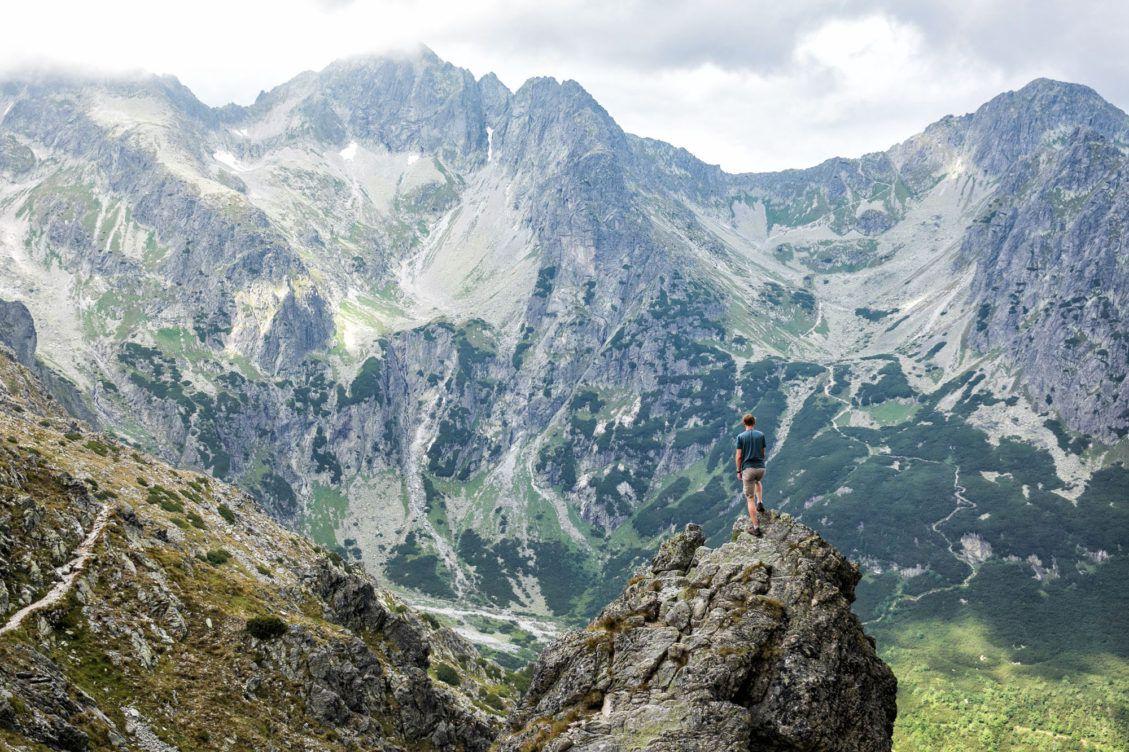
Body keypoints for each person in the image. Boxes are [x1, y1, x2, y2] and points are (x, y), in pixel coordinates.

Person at [734, 413, 768, 535]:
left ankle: (756, 528)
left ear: (744, 423)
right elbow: (763, 452)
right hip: (761, 469)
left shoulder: (740, 437)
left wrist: (739, 470)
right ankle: (760, 503)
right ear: (754, 422)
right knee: (758, 481)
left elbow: (738, 456)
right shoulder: (761, 435)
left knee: (749, 499)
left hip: (748, 469)